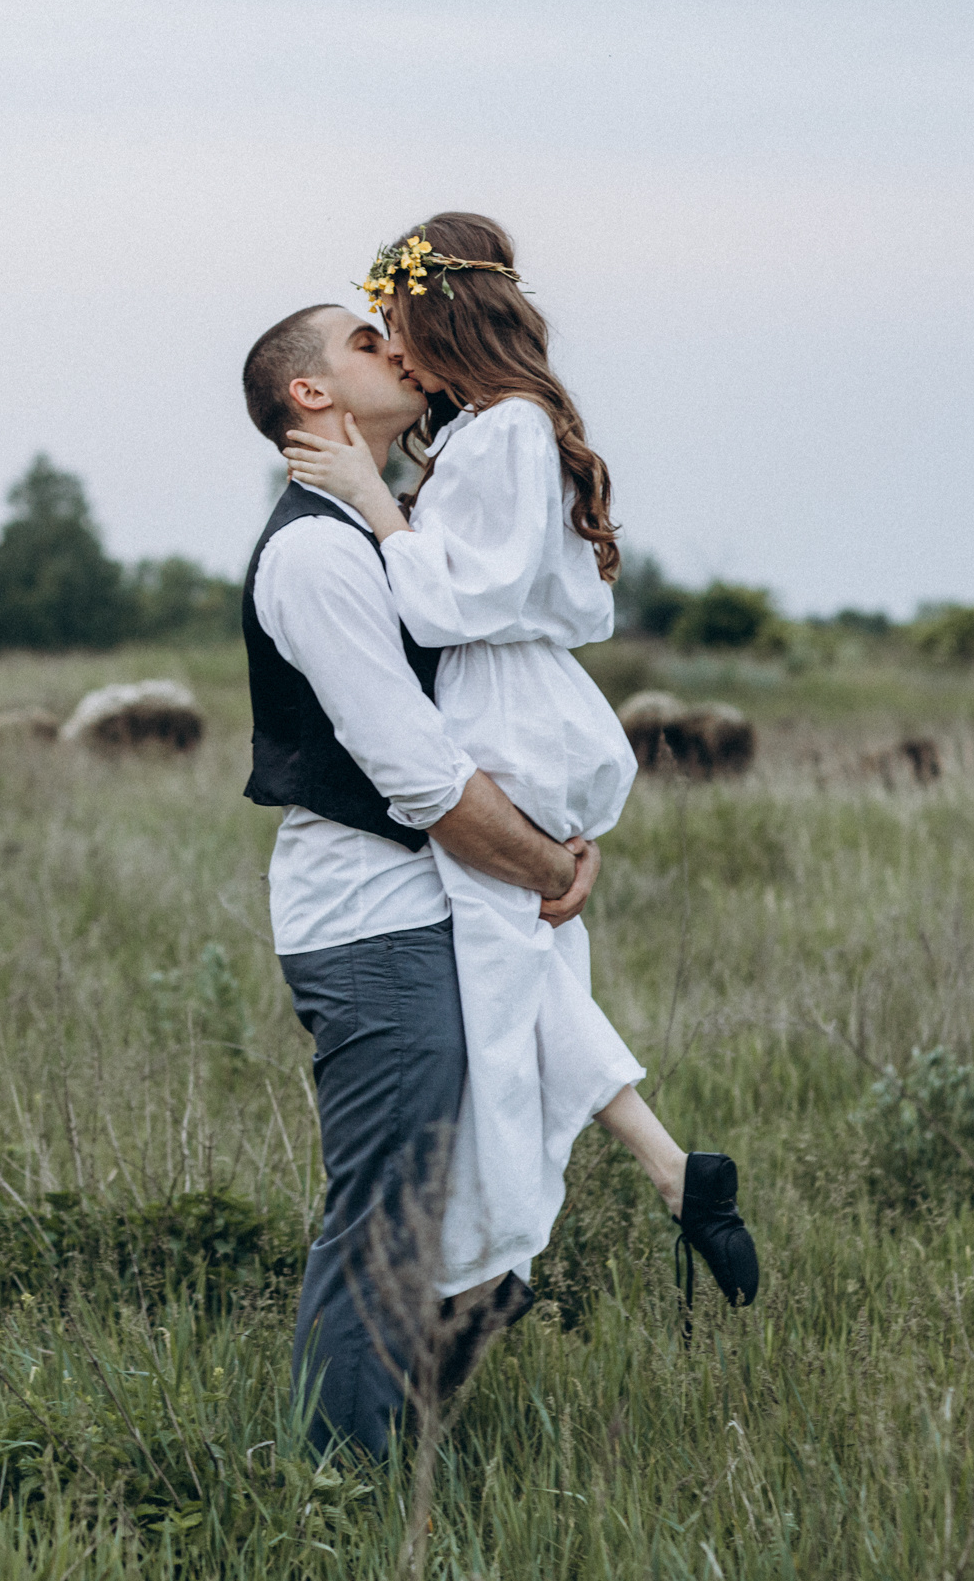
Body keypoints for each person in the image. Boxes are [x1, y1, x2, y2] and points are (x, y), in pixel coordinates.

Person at [241, 299, 590, 1460]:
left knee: (482, 1191)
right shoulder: (313, 553)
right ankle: (336, 1493)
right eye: (362, 341)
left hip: (446, 908)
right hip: (374, 921)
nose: (395, 345)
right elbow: (423, 777)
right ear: (312, 395)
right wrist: (547, 864)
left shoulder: (409, 528)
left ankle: (409, 1448)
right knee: (392, 1209)